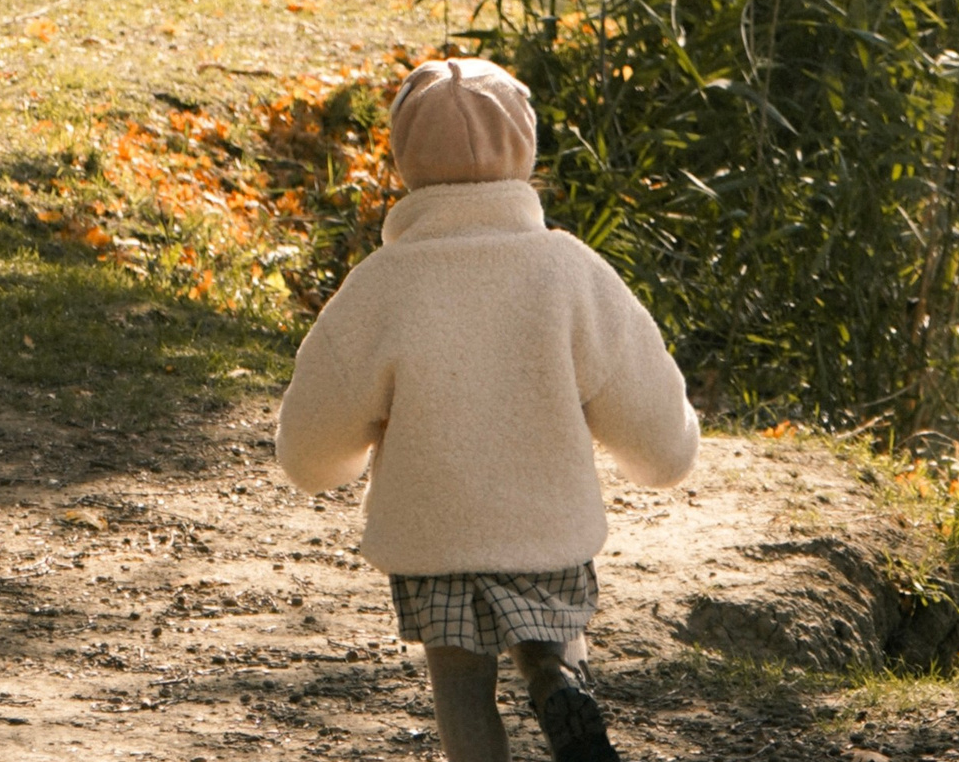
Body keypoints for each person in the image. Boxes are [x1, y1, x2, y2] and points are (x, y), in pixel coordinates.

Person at [272, 57, 698, 762]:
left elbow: (315, 433)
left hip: (434, 527)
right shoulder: (569, 270)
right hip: (545, 516)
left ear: (407, 160)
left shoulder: (382, 285)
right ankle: (557, 677)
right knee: (553, 621)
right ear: (524, 148)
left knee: (462, 686)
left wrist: (327, 463)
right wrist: (670, 450)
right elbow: (650, 416)